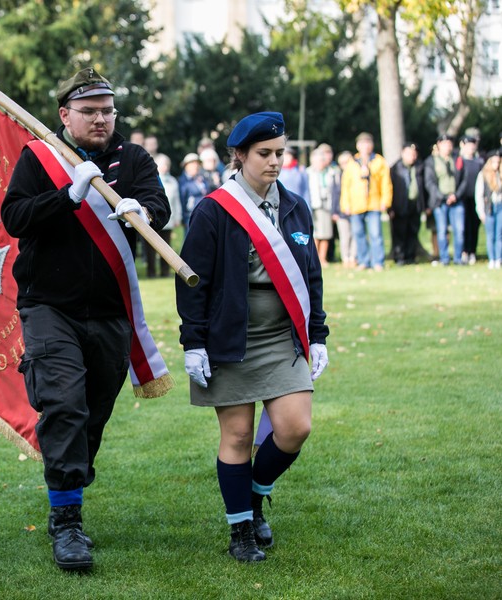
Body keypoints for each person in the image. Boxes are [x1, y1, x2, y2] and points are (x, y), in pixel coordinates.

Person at [1, 68, 171, 572]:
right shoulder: (40, 157)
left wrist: (143, 212)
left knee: (92, 414)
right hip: (49, 307)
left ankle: (69, 481)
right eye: (89, 111)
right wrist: (68, 197)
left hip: (111, 310)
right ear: (65, 114)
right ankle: (67, 521)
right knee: (64, 404)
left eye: (107, 111)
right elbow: (15, 218)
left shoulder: (133, 159)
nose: (101, 119)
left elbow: (160, 208)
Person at [176, 112, 328, 563]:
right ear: (239, 156)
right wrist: (194, 342)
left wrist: (317, 334)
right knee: (239, 435)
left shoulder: (296, 206)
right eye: (264, 153)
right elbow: (193, 282)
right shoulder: (213, 210)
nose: (275, 161)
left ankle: (256, 496)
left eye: (280, 152)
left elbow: (311, 276)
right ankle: (240, 530)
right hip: (231, 340)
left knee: (295, 428)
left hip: (282, 338)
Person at [340, 132, 391, 270]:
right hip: (356, 204)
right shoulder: (352, 163)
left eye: (368, 143)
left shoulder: (379, 161)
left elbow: (386, 183)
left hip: (374, 202)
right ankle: (363, 261)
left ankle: (378, 261)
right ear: (357, 146)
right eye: (362, 144)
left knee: (375, 233)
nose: (365, 146)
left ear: (372, 145)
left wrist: (385, 201)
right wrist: (345, 204)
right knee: (359, 234)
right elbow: (346, 185)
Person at [424, 133, 462, 266]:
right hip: (440, 201)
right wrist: (443, 197)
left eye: (450, 143)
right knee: (441, 230)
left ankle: (458, 258)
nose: (448, 146)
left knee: (459, 230)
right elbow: (430, 183)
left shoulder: (457, 158)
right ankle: (444, 258)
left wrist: (456, 195)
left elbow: (463, 178)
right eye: (445, 143)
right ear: (439, 145)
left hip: (456, 199)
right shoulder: (431, 161)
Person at [144, 153, 181, 277]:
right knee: (150, 247)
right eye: (162, 164)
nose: (165, 167)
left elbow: (176, 201)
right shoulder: (150, 179)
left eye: (166, 164)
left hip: (168, 219)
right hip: (152, 217)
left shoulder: (173, 181)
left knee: (166, 247)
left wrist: (177, 217)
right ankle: (151, 271)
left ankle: (165, 271)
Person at [388, 142, 425, 266]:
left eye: (414, 154)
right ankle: (399, 257)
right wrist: (390, 208)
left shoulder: (420, 167)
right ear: (403, 153)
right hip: (399, 205)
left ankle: (410, 256)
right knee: (400, 232)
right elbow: (390, 189)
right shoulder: (395, 169)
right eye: (409, 154)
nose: (412, 157)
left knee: (412, 232)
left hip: (415, 204)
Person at [307, 144, 340, 266]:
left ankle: (322, 258)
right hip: (314, 205)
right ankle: (314, 258)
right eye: (318, 160)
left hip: (327, 205)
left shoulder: (331, 172)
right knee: (315, 234)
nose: (321, 162)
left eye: (322, 160)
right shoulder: (308, 172)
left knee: (326, 233)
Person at [456, 135, 483, 265]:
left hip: (476, 199)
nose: (471, 147)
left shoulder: (479, 162)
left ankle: (472, 251)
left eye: (473, 145)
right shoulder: (459, 160)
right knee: (464, 227)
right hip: (463, 199)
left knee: (474, 226)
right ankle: (464, 251)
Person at [475, 150, 502, 269]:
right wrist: (481, 212)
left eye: (498, 162)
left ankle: (499, 258)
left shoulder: (501, 174)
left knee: (499, 234)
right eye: (494, 161)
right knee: (490, 235)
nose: (496, 164)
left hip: (500, 207)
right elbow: (479, 195)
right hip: (489, 207)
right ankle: (492, 258)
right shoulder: (483, 175)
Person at [333, 150, 355, 267]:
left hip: (355, 210)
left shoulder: (356, 175)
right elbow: (334, 195)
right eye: (342, 163)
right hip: (341, 211)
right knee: (345, 236)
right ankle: (345, 258)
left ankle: (353, 257)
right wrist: (334, 211)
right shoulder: (338, 176)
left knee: (355, 235)